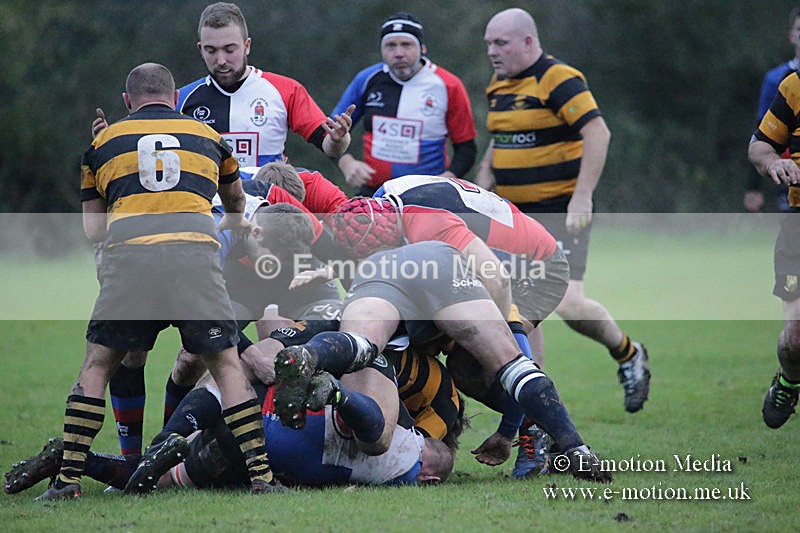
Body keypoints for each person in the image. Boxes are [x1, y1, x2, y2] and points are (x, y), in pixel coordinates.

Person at [90, 1, 354, 460]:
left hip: (271, 236)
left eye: (230, 48)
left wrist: (338, 141)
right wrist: (115, 138)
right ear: (200, 50)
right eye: (211, 50)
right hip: (211, 243)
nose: (221, 58)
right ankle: (157, 452)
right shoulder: (185, 100)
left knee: (278, 347)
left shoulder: (282, 90)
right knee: (192, 356)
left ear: (247, 45)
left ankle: (318, 435)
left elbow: (325, 141)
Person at [35, 63, 282, 501]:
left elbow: (94, 231)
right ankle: (262, 476)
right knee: (225, 364)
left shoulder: (102, 143)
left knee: (98, 364)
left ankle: (67, 481)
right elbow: (235, 201)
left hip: (130, 261)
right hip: (194, 258)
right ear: (174, 97)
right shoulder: (209, 138)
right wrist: (237, 226)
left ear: (128, 101)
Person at [273, 240, 612, 483]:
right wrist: (507, 432)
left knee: (361, 345)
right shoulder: (489, 294)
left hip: (380, 271)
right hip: (439, 260)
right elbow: (521, 363)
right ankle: (576, 447)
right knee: (512, 367)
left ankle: (308, 355)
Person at [476, 8, 650, 415]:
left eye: (500, 43)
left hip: (559, 209)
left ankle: (628, 353)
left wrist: (582, 196)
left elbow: (598, 132)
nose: (492, 51)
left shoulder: (558, 79)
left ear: (528, 42)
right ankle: (536, 412)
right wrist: (484, 178)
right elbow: (498, 137)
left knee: (568, 304)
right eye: (488, 44)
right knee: (519, 309)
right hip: (513, 215)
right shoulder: (498, 84)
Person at [331, 12, 477, 196]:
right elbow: (329, 131)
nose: (399, 53)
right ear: (381, 50)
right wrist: (346, 162)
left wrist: (445, 181)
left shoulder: (448, 85)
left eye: (406, 45)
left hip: (427, 196)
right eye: (390, 46)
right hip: (374, 193)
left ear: (422, 48)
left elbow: (467, 150)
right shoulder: (367, 79)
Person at [748, 70, 800, 429]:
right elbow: (759, 147)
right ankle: (788, 380)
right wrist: (773, 162)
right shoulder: (794, 86)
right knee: (795, 340)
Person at [744, 8, 800, 213]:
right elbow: (762, 136)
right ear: (792, 36)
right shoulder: (785, 83)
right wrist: (755, 184)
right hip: (789, 181)